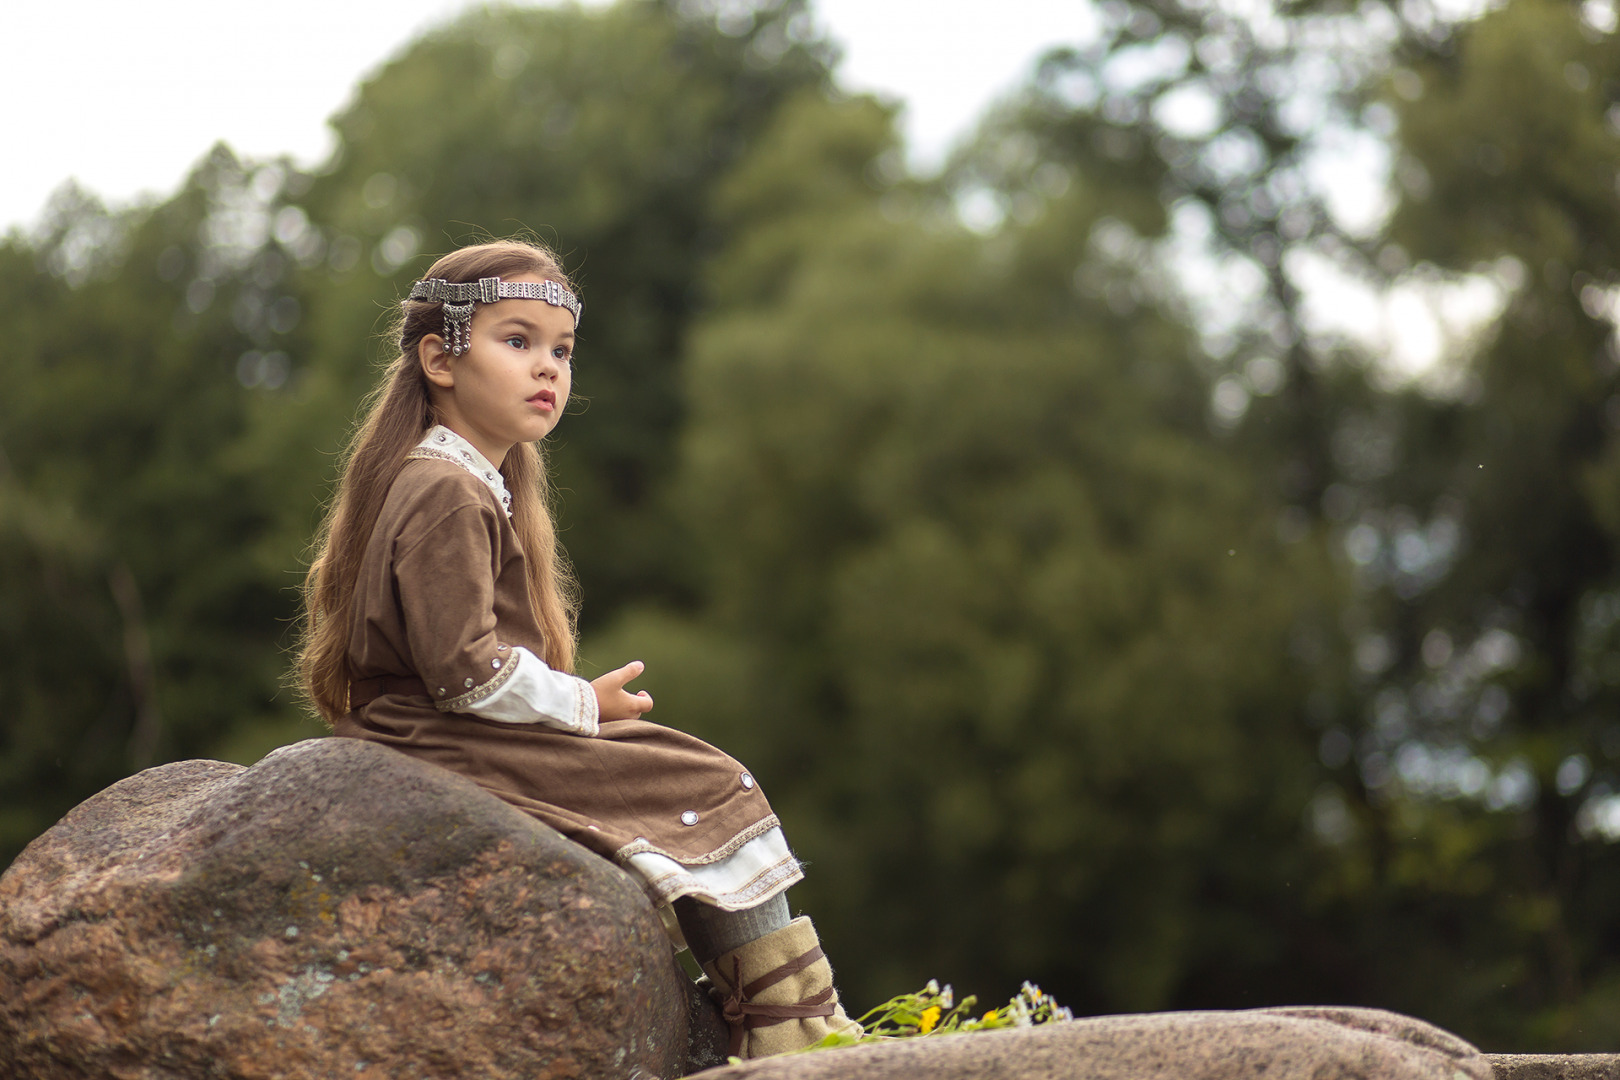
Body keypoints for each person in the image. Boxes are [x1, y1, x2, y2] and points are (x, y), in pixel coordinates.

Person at [295, 238, 861, 1057]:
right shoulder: (445, 489)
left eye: (561, 350)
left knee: (678, 769)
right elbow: (463, 672)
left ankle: (776, 1013)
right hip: (437, 734)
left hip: (442, 726)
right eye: (516, 341)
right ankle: (788, 1027)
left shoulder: (464, 480)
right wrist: (581, 704)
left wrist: (580, 709)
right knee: (700, 779)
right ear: (439, 359)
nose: (548, 369)